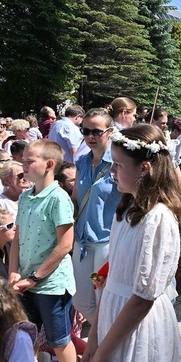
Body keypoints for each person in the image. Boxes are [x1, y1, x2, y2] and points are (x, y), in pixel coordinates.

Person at [81, 124, 181, 362]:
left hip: (136, 325)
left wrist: (101, 355)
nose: (112, 171)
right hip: (113, 316)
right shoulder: (127, 208)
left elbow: (143, 298)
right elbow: (111, 282)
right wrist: (93, 342)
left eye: (118, 164)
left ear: (144, 168)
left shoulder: (158, 219)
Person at [8, 139, 78, 362]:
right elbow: (17, 237)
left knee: (59, 340)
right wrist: (14, 272)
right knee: (25, 339)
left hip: (50, 285)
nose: (22, 165)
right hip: (26, 282)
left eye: (29, 161)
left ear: (49, 164)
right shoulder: (26, 197)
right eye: (23, 160)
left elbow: (65, 245)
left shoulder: (58, 198)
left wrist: (35, 277)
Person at [72, 108, 120, 327]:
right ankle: (103, 337)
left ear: (109, 132)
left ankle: (104, 345)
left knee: (103, 299)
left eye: (96, 132)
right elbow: (76, 197)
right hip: (82, 240)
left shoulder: (118, 163)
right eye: (85, 131)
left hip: (106, 241)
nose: (90, 136)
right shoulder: (81, 161)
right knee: (81, 300)